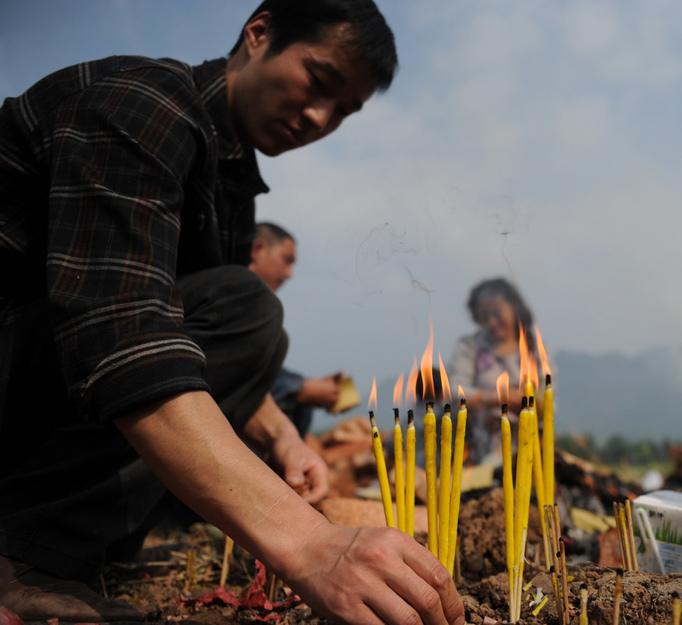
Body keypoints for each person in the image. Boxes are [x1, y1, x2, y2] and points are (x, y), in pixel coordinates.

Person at [0, 2, 464, 624]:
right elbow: (122, 336)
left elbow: (190, 333)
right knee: (249, 308)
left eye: (345, 111)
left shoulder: (231, 180)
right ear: (260, 32)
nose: (320, 118)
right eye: (319, 82)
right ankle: (24, 553)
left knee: (251, 315)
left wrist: (283, 436)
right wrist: (308, 544)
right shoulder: (144, 104)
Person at [249, 221, 346, 437]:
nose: (290, 273)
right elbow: (236, 380)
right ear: (258, 250)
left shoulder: (256, 310)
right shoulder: (232, 302)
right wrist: (302, 391)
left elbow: (267, 372)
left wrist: (310, 386)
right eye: (287, 261)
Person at [449, 278, 540, 465]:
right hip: (475, 446)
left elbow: (549, 402)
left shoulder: (535, 350)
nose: (491, 322)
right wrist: (497, 397)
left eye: (496, 313)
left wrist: (529, 402)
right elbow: (454, 391)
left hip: (524, 448)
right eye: (483, 317)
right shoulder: (470, 347)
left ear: (514, 308)